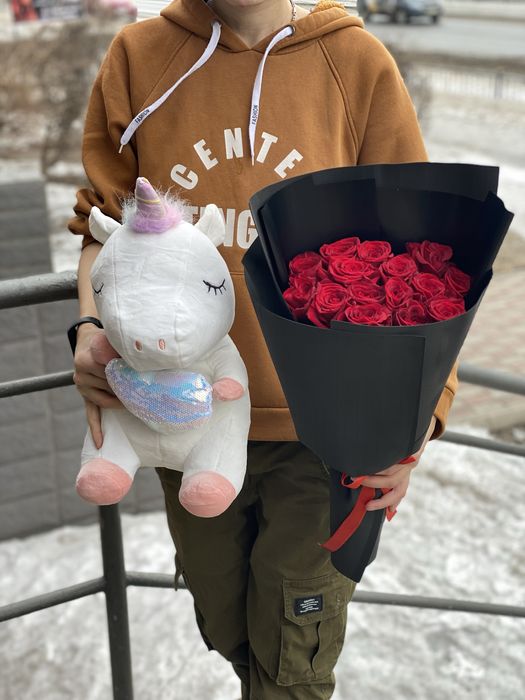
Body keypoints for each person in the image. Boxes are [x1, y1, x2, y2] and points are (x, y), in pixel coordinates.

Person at [69, 1, 458, 697]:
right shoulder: (139, 57)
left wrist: (418, 418)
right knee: (228, 625)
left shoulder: (353, 62)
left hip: (327, 434)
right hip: (184, 414)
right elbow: (102, 226)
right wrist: (90, 329)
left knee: (292, 659)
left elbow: (423, 254)